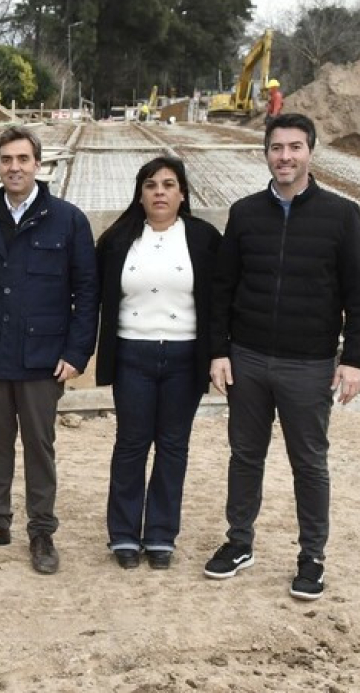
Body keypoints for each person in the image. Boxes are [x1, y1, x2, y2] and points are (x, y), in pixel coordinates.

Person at [205, 113, 360, 601]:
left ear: (310, 152)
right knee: (245, 456)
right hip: (250, 360)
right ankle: (240, 543)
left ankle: (312, 556)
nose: (285, 157)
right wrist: (220, 351)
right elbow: (223, 289)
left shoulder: (341, 216)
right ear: (266, 153)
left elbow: (359, 296)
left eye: (294, 147)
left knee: (309, 463)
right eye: (277, 148)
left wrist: (353, 360)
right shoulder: (245, 213)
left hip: (309, 364)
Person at [0, 126, 97, 574]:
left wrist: (76, 352)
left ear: (37, 164)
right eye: (6, 160)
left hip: (42, 358)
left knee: (38, 443)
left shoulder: (68, 221)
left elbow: (86, 293)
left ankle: (42, 531)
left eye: (22, 159)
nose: (14, 167)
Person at [94, 157, 221, 571]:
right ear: (141, 193)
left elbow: (220, 303)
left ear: (183, 193)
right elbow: (94, 294)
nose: (160, 192)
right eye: (151, 185)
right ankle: (125, 535)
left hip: (185, 356)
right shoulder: (118, 239)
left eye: (169, 184)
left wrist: (221, 353)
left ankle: (162, 535)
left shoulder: (203, 239)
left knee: (172, 446)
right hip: (133, 354)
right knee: (131, 444)